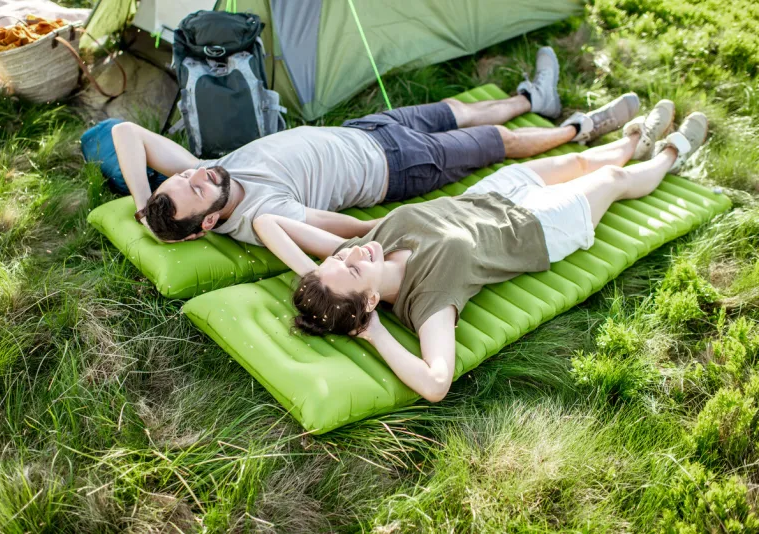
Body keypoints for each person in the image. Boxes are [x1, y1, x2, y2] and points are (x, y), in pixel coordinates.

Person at [252, 99, 708, 402]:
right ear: (371, 302)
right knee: (612, 181)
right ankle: (670, 154)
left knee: (579, 161)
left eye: (337, 259)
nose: (350, 256)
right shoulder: (428, 300)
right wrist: (372, 332)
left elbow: (266, 221)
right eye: (348, 272)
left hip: (492, 196)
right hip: (539, 228)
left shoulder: (362, 252)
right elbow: (435, 383)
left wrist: (312, 274)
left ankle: (632, 141)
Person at [112, 46, 639, 245]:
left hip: (365, 129)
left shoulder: (212, 174)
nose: (197, 174)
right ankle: (579, 130)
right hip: (398, 166)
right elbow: (336, 228)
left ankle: (533, 97)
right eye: (193, 186)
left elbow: (126, 133)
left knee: (460, 108)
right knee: (496, 143)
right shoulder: (260, 218)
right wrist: (374, 230)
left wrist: (142, 199)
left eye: (185, 175)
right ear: (208, 222)